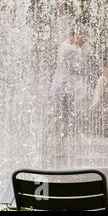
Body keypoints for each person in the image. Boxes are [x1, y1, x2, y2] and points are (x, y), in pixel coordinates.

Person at [44, 25, 88, 158]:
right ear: (77, 35)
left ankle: (51, 143)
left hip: (59, 85)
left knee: (59, 116)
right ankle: (56, 146)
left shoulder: (64, 45)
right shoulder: (72, 49)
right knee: (64, 118)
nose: (85, 40)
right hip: (65, 87)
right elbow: (78, 69)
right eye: (84, 37)